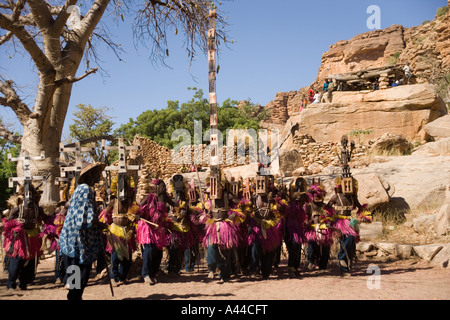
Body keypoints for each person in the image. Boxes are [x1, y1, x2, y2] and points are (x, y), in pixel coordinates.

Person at [58, 162, 107, 300]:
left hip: (75, 241)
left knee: (78, 276)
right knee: (80, 275)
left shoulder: (82, 189)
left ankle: (74, 297)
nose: (100, 175)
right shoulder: (85, 190)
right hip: (78, 242)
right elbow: (84, 218)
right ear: (90, 174)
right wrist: (100, 224)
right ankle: (74, 297)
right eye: (97, 172)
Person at [3, 184, 44, 290]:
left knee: (30, 262)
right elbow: (8, 222)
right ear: (22, 195)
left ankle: (23, 283)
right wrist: (15, 225)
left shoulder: (37, 209)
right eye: (27, 194)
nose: (29, 196)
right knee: (17, 260)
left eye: (31, 194)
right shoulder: (17, 209)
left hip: (33, 237)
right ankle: (11, 283)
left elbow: (46, 218)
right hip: (19, 238)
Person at [136, 179, 172, 285]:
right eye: (161, 187)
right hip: (148, 227)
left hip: (158, 228)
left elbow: (175, 204)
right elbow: (139, 207)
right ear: (157, 188)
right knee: (149, 250)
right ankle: (146, 274)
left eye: (164, 187)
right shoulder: (150, 197)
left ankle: (153, 273)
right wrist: (138, 214)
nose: (163, 188)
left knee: (158, 253)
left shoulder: (165, 197)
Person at [283, 177, 308, 278]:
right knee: (292, 246)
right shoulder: (289, 200)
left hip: (298, 227)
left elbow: (306, 197)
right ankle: (291, 267)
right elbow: (295, 195)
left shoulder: (301, 200)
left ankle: (295, 267)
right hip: (289, 227)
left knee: (297, 246)